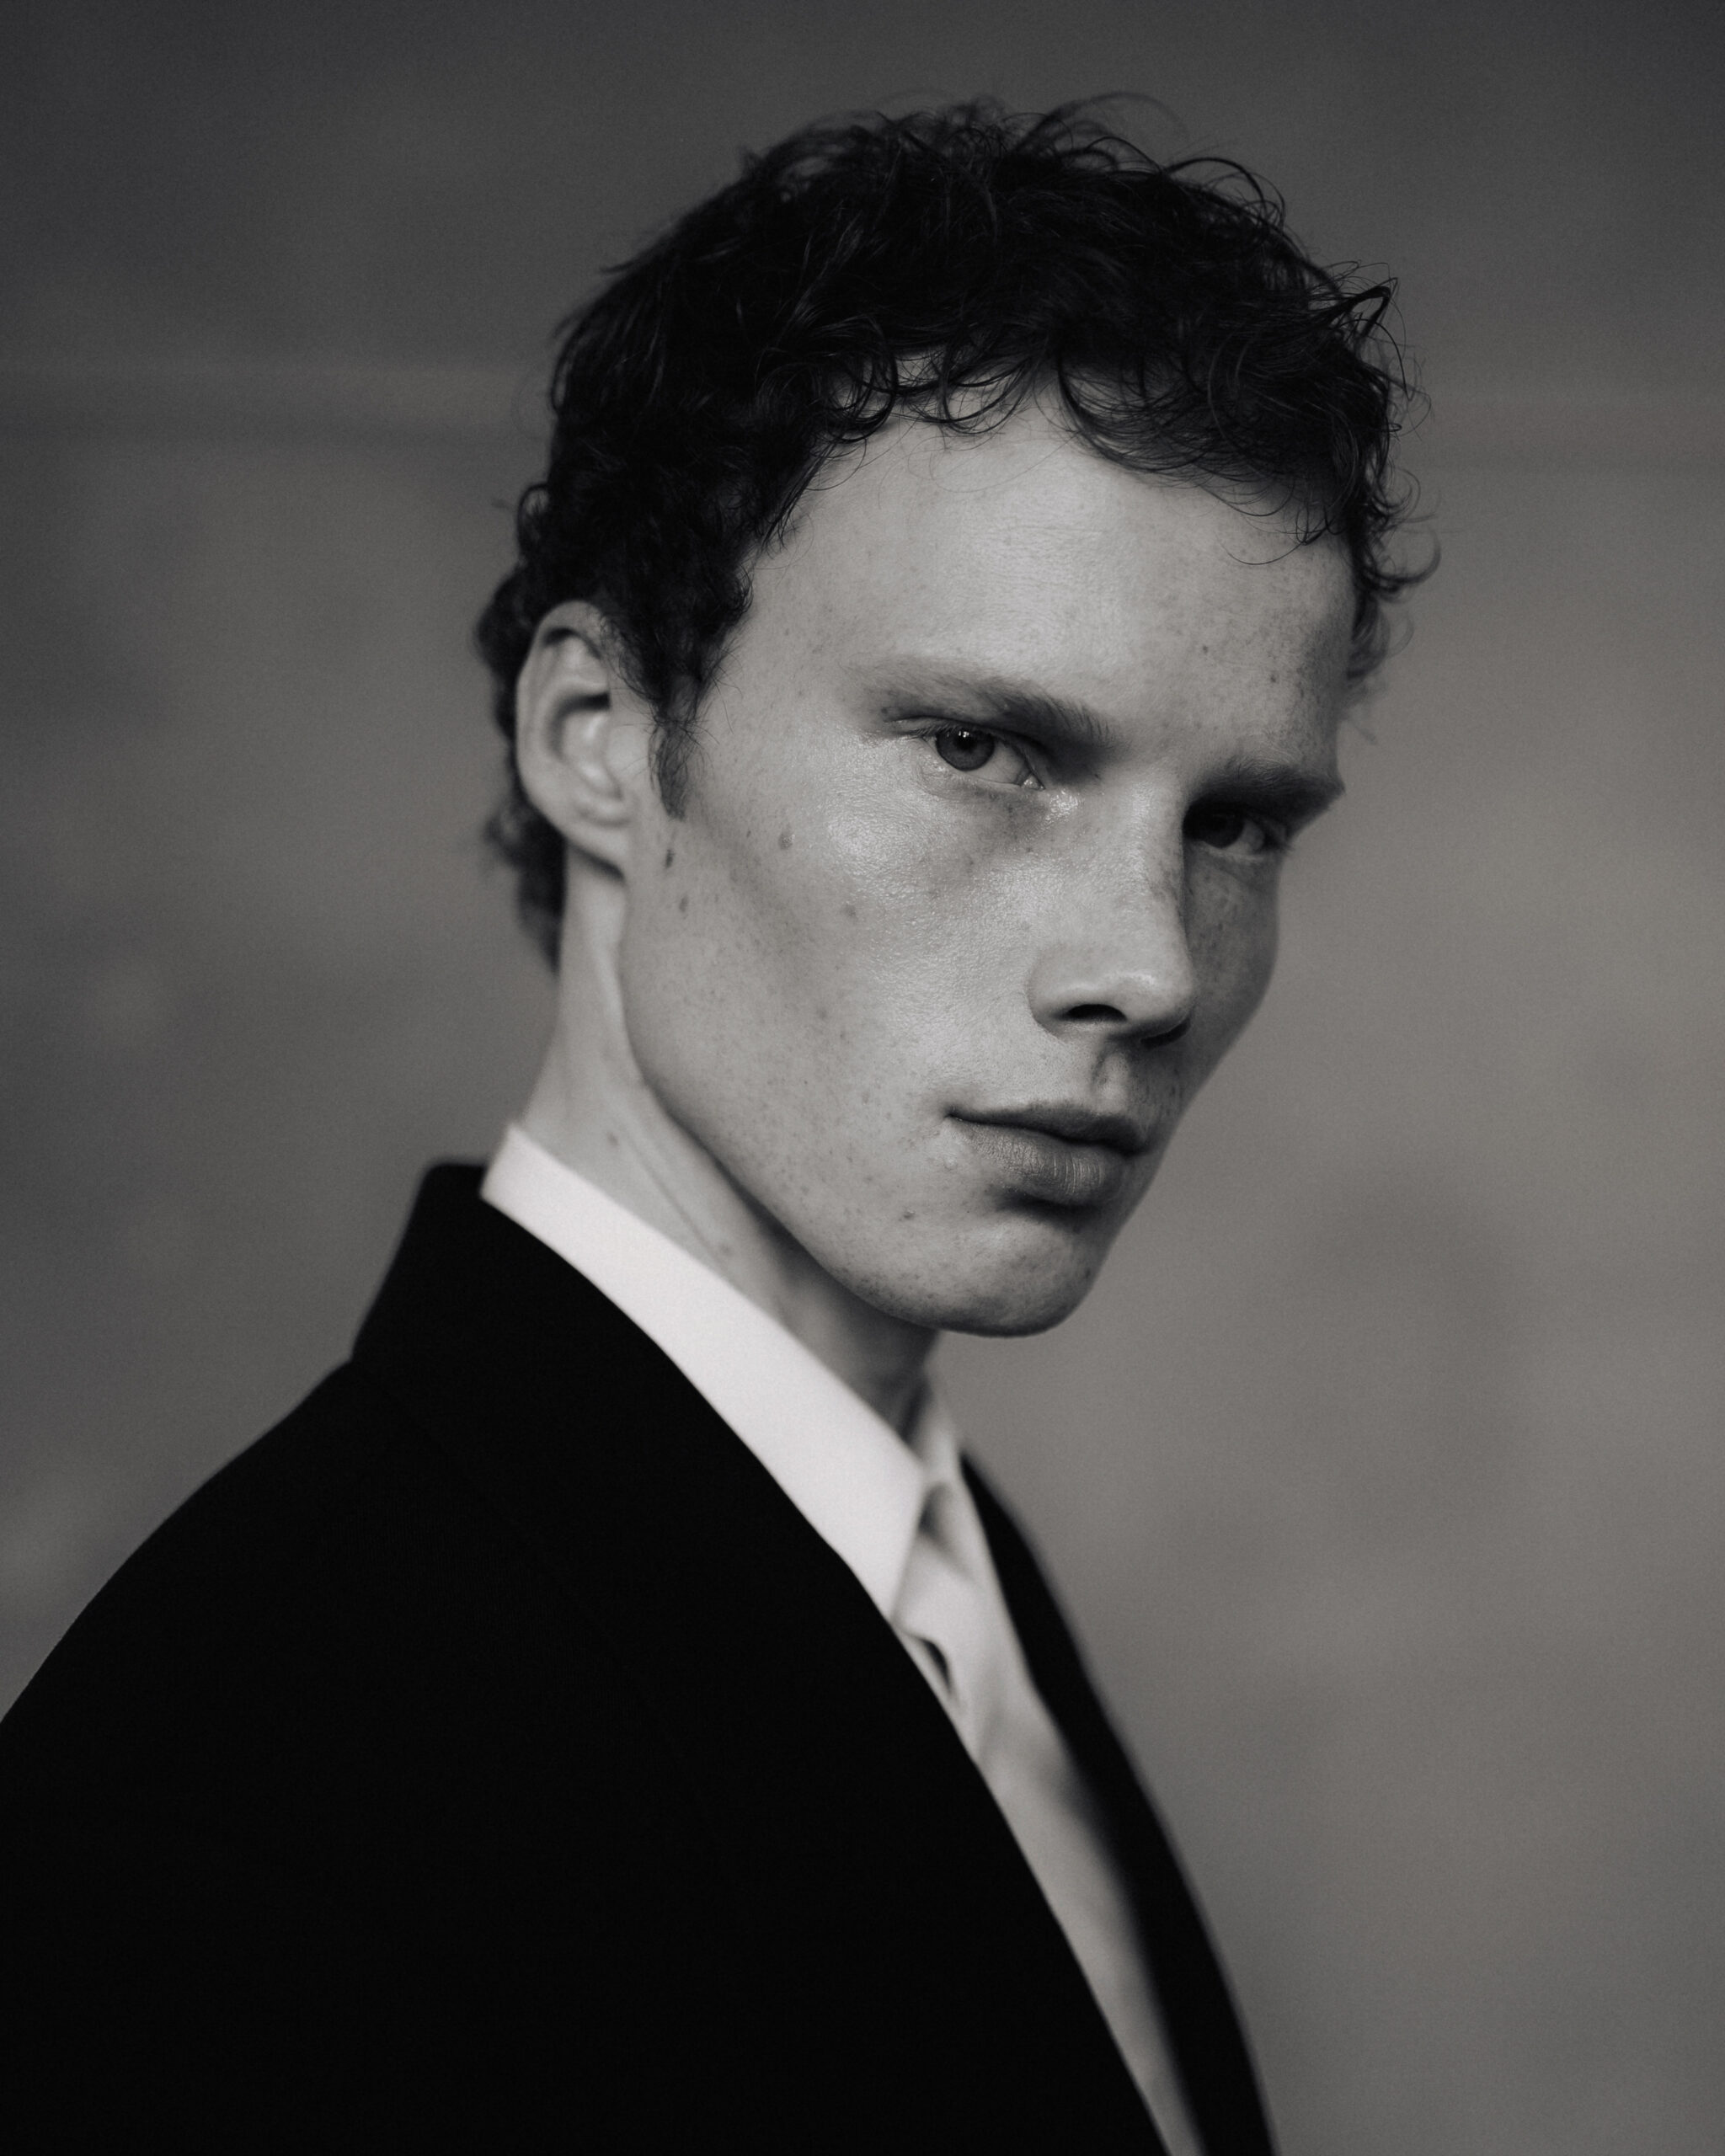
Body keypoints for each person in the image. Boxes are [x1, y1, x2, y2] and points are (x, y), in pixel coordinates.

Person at [0, 103, 1414, 2153]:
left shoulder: (921, 1583)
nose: (1149, 963)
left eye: (1239, 822)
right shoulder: (244, 1806)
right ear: (598, 735)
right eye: (984, 747)